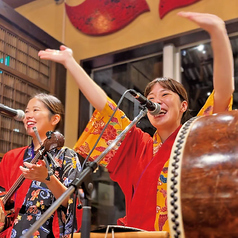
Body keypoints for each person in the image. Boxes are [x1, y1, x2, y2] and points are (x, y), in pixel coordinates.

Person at [38, 12, 234, 233]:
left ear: (183, 106)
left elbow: (223, 94)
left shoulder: (195, 138)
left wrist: (218, 31)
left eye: (165, 95)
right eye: (150, 99)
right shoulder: (138, 144)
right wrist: (70, 62)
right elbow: (105, 107)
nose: (156, 102)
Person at [0, 93, 82, 237]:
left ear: (55, 118)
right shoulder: (11, 157)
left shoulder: (67, 156)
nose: (28, 116)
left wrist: (47, 179)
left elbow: (72, 203)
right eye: (26, 112)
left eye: (35, 110)